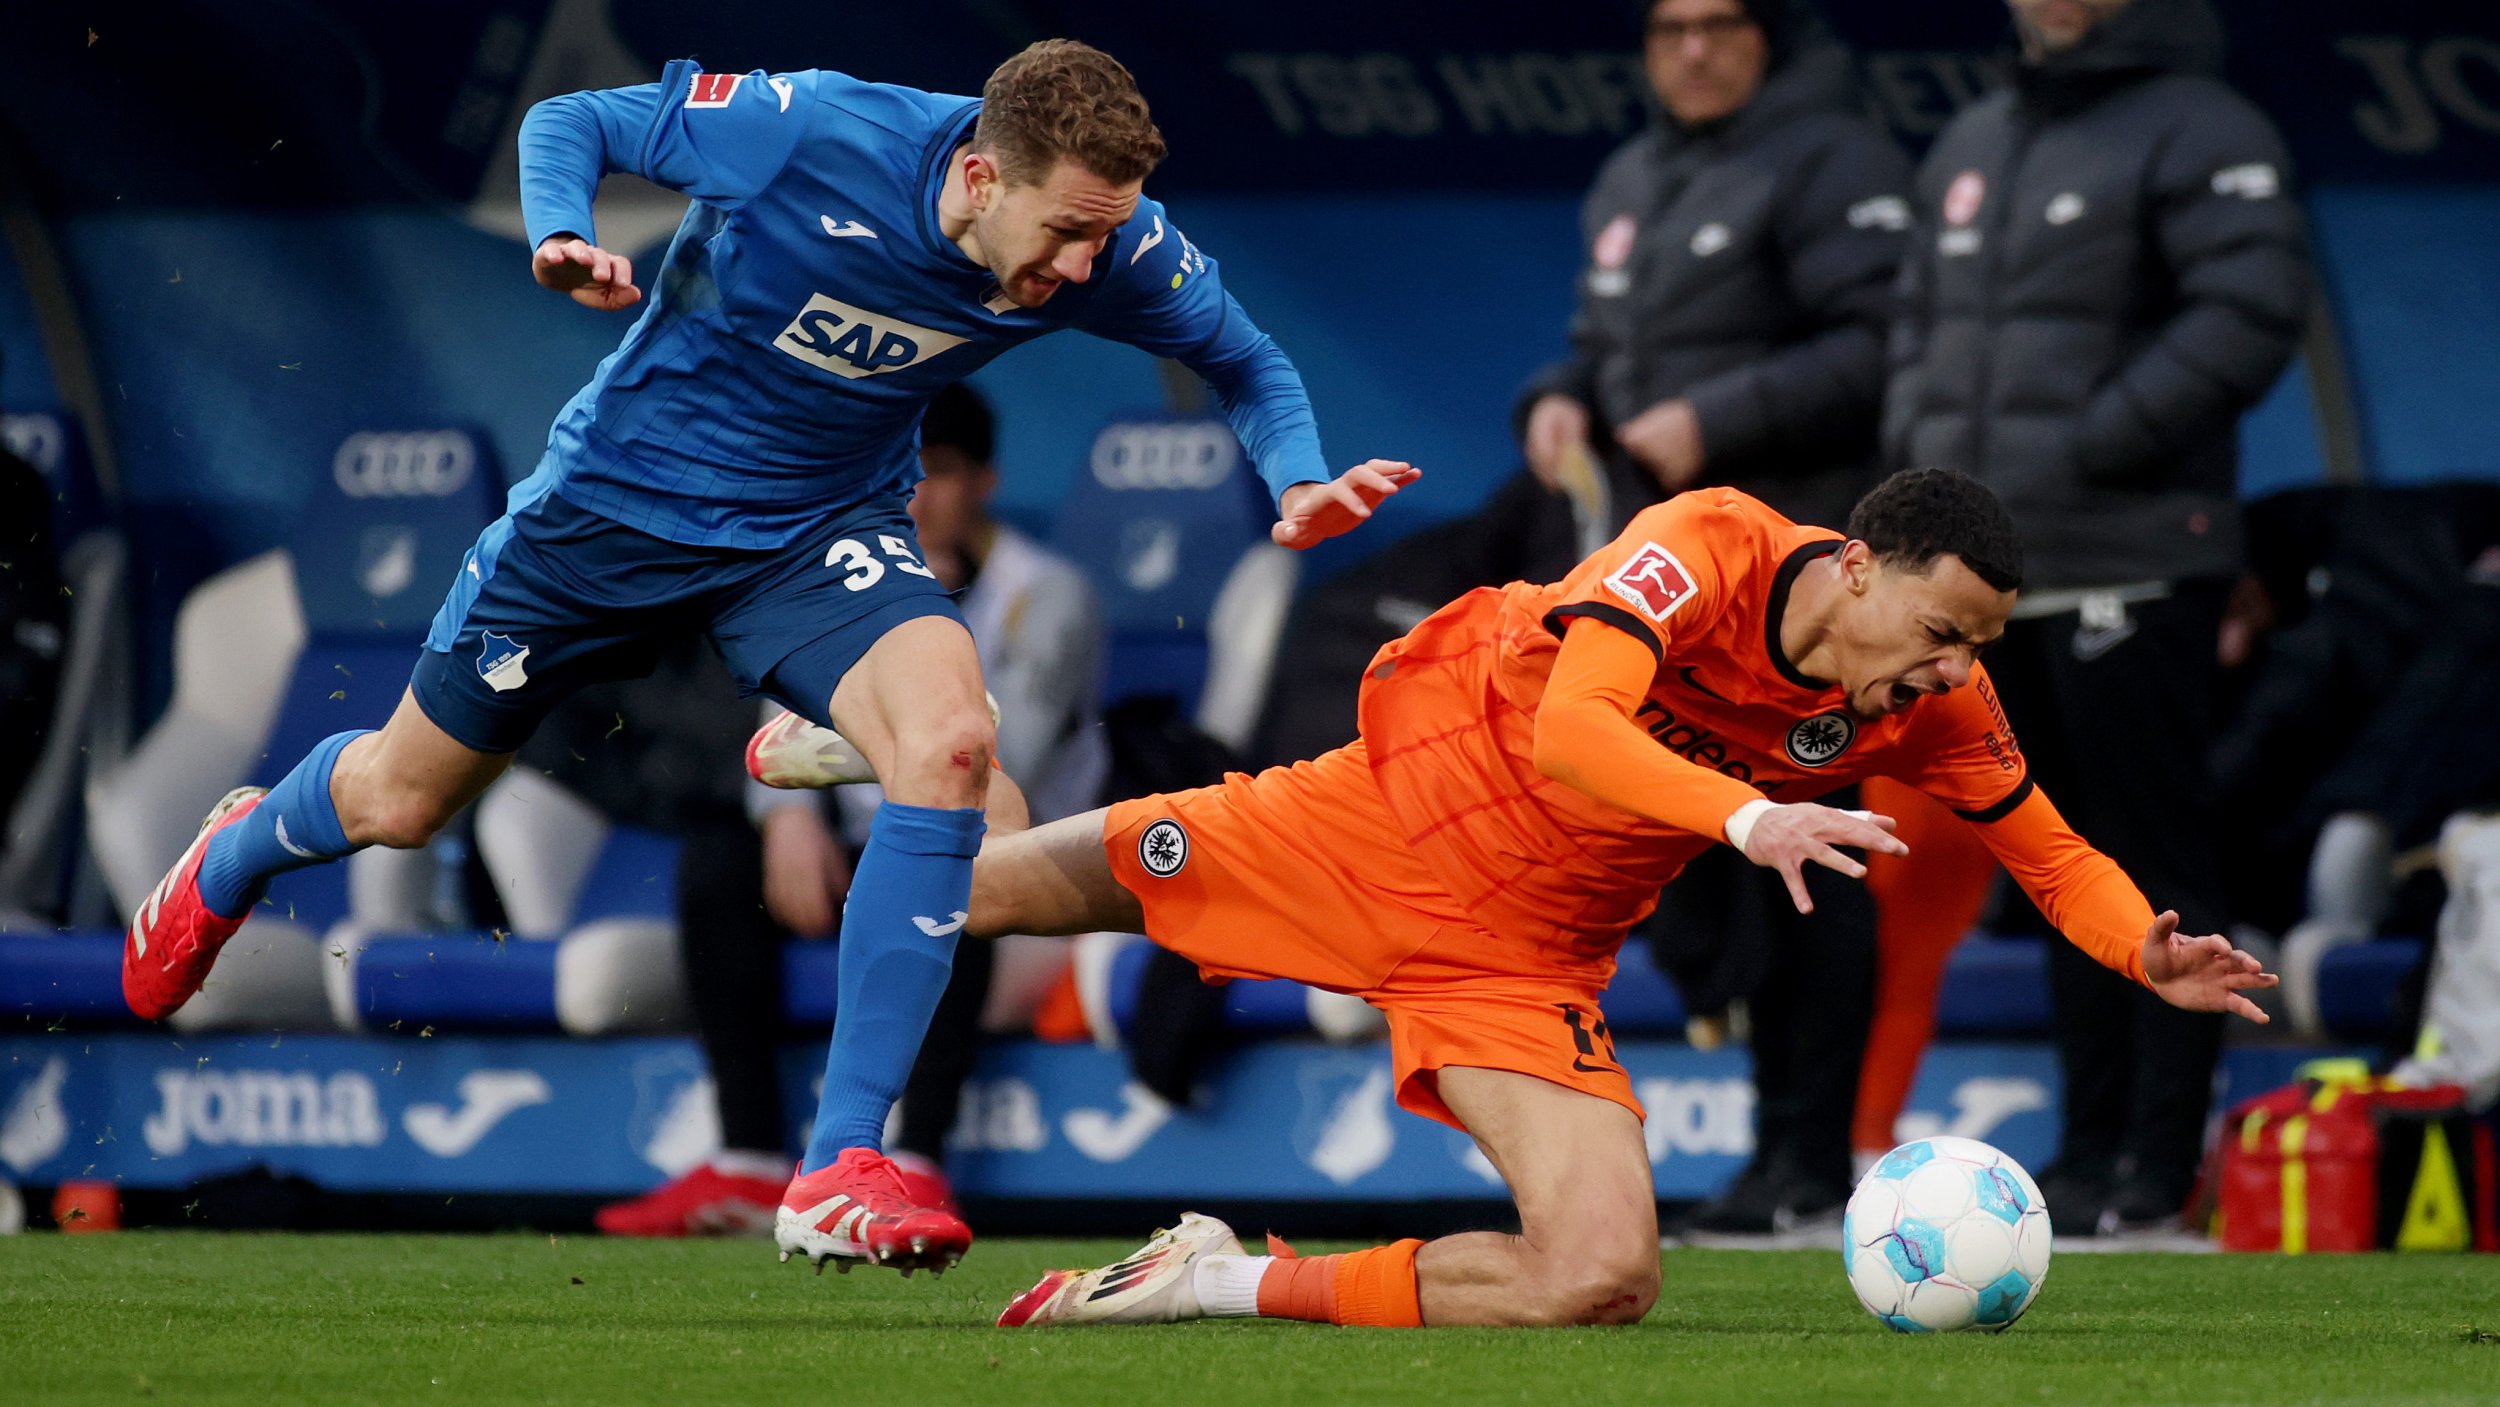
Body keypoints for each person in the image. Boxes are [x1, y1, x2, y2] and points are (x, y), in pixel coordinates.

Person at [118, 39, 1415, 1277]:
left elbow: (1243, 358)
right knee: (400, 800)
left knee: (960, 758)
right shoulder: (816, 128)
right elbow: (575, 119)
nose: (1088, 267)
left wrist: (1296, 479)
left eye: (1107, 233)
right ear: (978, 176)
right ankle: (238, 842)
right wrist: (562, 230)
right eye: (1068, 232)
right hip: (610, 515)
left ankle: (841, 1161)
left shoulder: (1117, 240)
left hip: (819, 537)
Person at [763, 469, 2278, 1327]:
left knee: (1602, 1271)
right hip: (1364, 821)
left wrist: (2140, 943)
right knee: (951, 900)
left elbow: (2053, 850)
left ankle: (1210, 1276)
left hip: (1515, 958)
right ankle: (915, 748)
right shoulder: (1708, 545)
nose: (1955, 671)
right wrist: (1749, 813)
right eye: (1944, 630)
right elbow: (1576, 729)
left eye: (1979, 647)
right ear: (1863, 566)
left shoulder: (1930, 709)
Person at [1881, 0, 2311, 1237]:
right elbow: (1914, 337)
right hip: (1990, 583)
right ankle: (2084, 1153)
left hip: (2131, 552)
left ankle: (2157, 1162)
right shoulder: (1972, 136)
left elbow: (2246, 316)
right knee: (2045, 859)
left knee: (2153, 851)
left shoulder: (2203, 122)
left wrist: (2082, 451)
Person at [1504, 0, 1914, 1241]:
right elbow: (1596, 344)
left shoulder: (1837, 156)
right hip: (1688, 595)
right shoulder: (1634, 173)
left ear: (1770, 35)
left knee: (1815, 858)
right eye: (1668, 25)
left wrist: (1714, 415)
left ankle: (1810, 1150)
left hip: (1810, 595)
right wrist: (1558, 398)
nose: (1691, 47)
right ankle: (1770, 1152)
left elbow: (1886, 346)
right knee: (1719, 869)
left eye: (1720, 22)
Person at [593, 382, 1106, 1236]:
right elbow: (780, 714)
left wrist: (926, 616)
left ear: (985, 480)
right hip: (854, 849)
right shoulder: (845, 571)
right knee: (723, 852)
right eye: (902, 472)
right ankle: (753, 1156)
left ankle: (917, 1158)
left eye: (939, 473)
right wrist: (786, 818)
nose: (916, 494)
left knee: (951, 862)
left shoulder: (1044, 593)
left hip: (1022, 879)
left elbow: (991, 757)